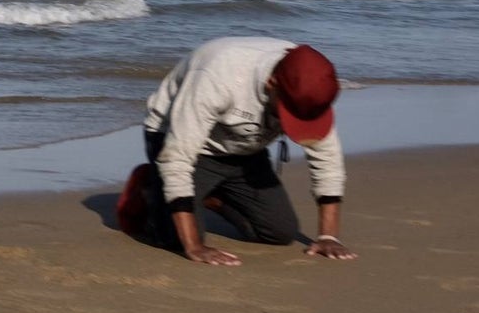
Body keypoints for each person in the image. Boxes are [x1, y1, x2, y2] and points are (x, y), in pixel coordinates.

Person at [118, 36, 357, 266]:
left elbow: (327, 158)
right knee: (176, 239)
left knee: (279, 233)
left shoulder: (311, 85)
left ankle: (209, 196)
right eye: (290, 113)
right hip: (180, 141)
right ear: (271, 83)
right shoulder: (220, 75)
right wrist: (194, 247)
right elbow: (176, 159)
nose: (293, 121)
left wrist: (328, 237)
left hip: (245, 149)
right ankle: (150, 189)